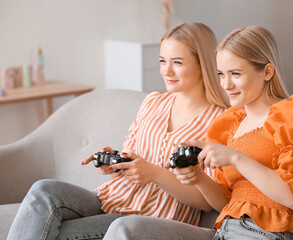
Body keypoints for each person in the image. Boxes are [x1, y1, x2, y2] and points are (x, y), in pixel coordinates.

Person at [102, 26, 293, 240]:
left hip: (269, 234)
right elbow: (224, 203)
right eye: (221, 74)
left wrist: (235, 157)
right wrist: (198, 178)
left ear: (267, 72)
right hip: (223, 230)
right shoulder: (231, 124)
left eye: (235, 74)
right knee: (125, 229)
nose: (226, 85)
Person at [6, 22, 230, 240]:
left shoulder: (219, 121)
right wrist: (116, 164)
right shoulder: (153, 101)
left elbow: (207, 201)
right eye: (162, 61)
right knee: (43, 191)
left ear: (203, 64)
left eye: (177, 62)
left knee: (53, 232)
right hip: (111, 199)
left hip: (148, 219)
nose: (166, 70)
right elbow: (130, 155)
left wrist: (155, 174)